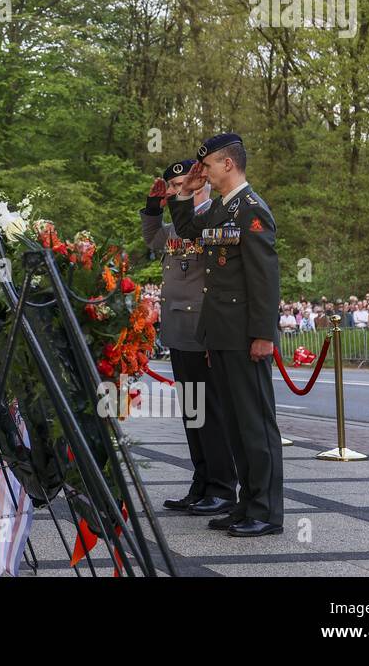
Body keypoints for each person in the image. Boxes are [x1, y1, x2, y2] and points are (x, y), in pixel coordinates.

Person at [169, 133, 284, 538]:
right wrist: (184, 192)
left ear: (229, 164)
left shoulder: (252, 210)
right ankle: (246, 504)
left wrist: (263, 335)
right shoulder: (221, 209)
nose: (206, 173)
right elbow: (186, 230)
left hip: (244, 336)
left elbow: (264, 278)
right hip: (219, 333)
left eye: (210, 166)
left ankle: (266, 511)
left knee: (255, 424)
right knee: (235, 424)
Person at [141, 160, 237, 516]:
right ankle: (202, 482)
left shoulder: (217, 216)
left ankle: (223, 487)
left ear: (200, 182)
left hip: (204, 329)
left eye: (182, 184)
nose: (176, 190)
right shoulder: (175, 226)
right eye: (172, 187)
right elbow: (152, 238)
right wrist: (154, 206)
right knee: (194, 414)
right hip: (179, 331)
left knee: (211, 413)